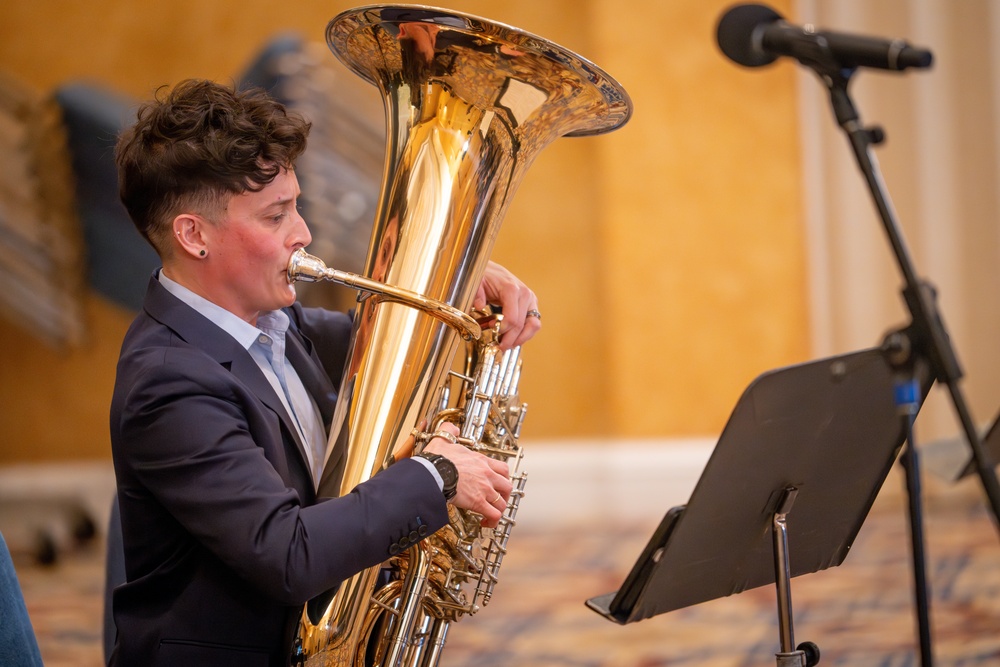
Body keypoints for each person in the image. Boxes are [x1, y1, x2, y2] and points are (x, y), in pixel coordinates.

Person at [108, 78, 541, 666]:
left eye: (297, 206)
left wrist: (462, 286)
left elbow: (395, 335)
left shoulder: (280, 325)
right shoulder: (168, 381)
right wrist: (435, 476)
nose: (302, 233)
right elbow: (287, 555)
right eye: (275, 216)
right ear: (194, 235)